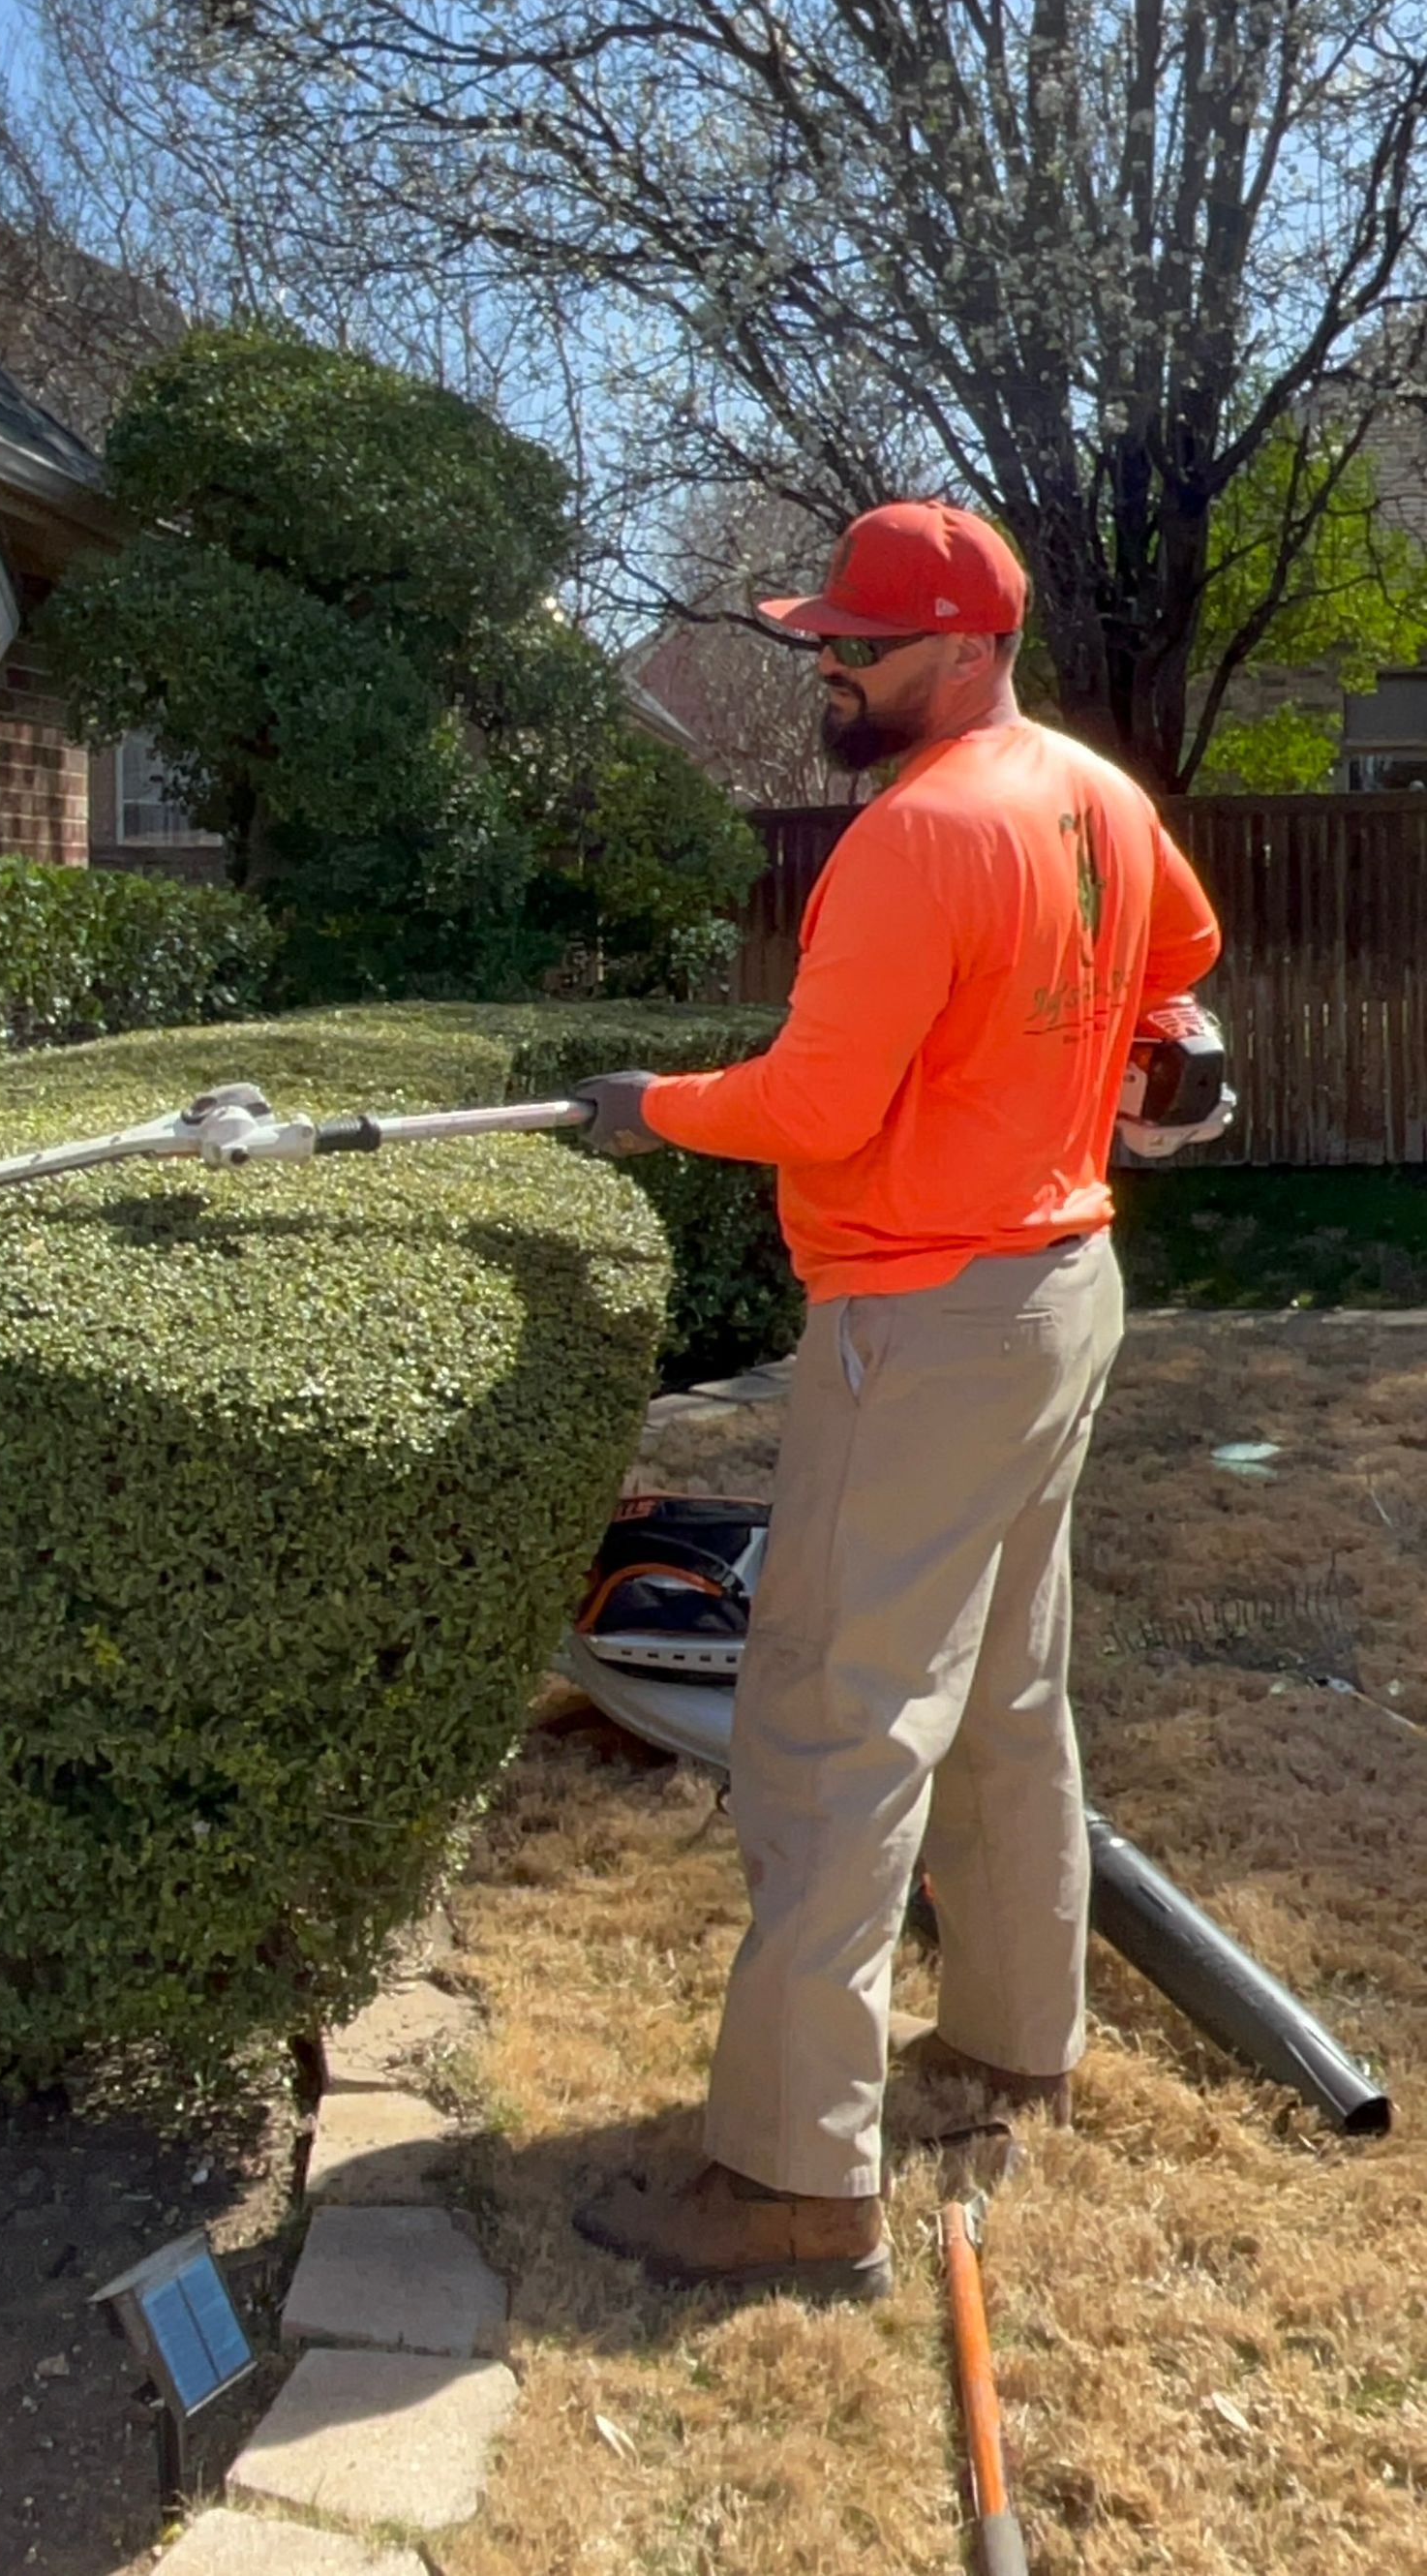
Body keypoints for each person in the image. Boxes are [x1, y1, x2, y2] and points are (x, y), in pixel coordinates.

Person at [571, 500, 1221, 2304]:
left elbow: (810, 1105)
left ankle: (793, 2181)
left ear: (965, 646)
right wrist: (1169, 1055)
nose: (831, 668)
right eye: (825, 640)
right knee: (1006, 1689)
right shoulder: (1097, 793)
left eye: (861, 644)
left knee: (831, 1728)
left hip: (923, 1316)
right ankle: (1017, 2039)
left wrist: (653, 1105)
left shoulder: (916, 837)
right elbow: (1181, 955)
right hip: (1059, 1294)